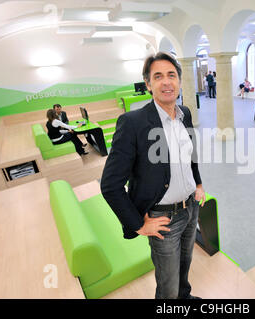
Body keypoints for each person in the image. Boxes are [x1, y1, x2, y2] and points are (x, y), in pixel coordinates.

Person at [100, 52, 206, 299]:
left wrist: (198, 183)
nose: (166, 82)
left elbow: (190, 155)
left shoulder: (185, 113)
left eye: (171, 75)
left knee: (184, 267)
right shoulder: (133, 123)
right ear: (148, 84)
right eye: (158, 77)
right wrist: (138, 225)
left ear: (179, 81)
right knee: (167, 284)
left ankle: (185, 298)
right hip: (162, 218)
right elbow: (110, 185)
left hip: (191, 208)